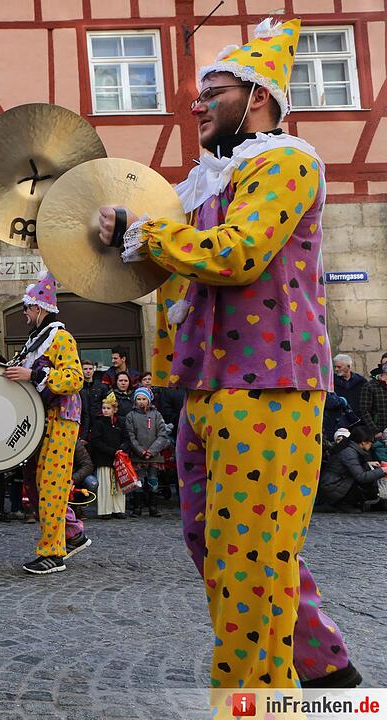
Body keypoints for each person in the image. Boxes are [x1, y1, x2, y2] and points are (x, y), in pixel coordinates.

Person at [98, 17, 361, 690]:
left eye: (212, 90)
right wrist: (113, 235)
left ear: (257, 96)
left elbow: (238, 254)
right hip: (208, 389)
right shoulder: (207, 182)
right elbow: (174, 267)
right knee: (216, 545)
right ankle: (325, 672)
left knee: (249, 560)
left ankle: (254, 700)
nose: (196, 104)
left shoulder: (287, 161)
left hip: (272, 386)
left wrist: (147, 233)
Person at [3, 272, 86, 575]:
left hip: (60, 420)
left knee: (51, 486)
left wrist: (33, 375)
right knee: (38, 486)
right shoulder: (37, 341)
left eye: (26, 309)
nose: (25, 315)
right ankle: (72, 534)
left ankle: (53, 553)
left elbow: (74, 378)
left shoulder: (60, 338)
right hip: (42, 421)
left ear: (38, 308)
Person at [123, 387, 171, 518]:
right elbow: (131, 436)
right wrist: (141, 451)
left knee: (153, 480)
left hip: (153, 454)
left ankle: (153, 506)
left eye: (144, 399)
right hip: (138, 455)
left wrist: (152, 450)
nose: (141, 402)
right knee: (138, 481)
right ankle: (137, 507)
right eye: (138, 399)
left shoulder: (156, 415)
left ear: (149, 400)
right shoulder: (130, 416)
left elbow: (162, 434)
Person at [317, 425, 385, 513]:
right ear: (363, 442)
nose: (372, 444)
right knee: (361, 481)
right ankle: (340, 504)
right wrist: (383, 470)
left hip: (335, 483)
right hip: (333, 486)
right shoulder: (349, 452)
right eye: (371, 441)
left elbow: (352, 465)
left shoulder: (351, 448)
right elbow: (361, 476)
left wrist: (368, 464)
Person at [89, 393, 127, 519]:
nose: (105, 410)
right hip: (104, 458)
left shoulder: (120, 422)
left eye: (108, 408)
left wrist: (122, 449)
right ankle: (106, 510)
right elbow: (96, 441)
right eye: (104, 408)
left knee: (118, 484)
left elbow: (127, 438)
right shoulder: (99, 423)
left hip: (118, 459)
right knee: (105, 485)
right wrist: (112, 451)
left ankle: (118, 508)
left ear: (114, 410)